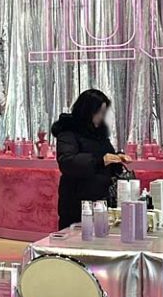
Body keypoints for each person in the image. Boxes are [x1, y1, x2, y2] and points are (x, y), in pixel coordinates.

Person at [51, 88, 130, 230]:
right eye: (99, 112)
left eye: (103, 112)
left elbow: (105, 156)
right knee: (75, 238)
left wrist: (117, 158)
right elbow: (67, 162)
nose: (101, 116)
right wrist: (100, 160)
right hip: (76, 201)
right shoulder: (68, 131)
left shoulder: (99, 132)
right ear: (88, 111)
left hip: (101, 199)